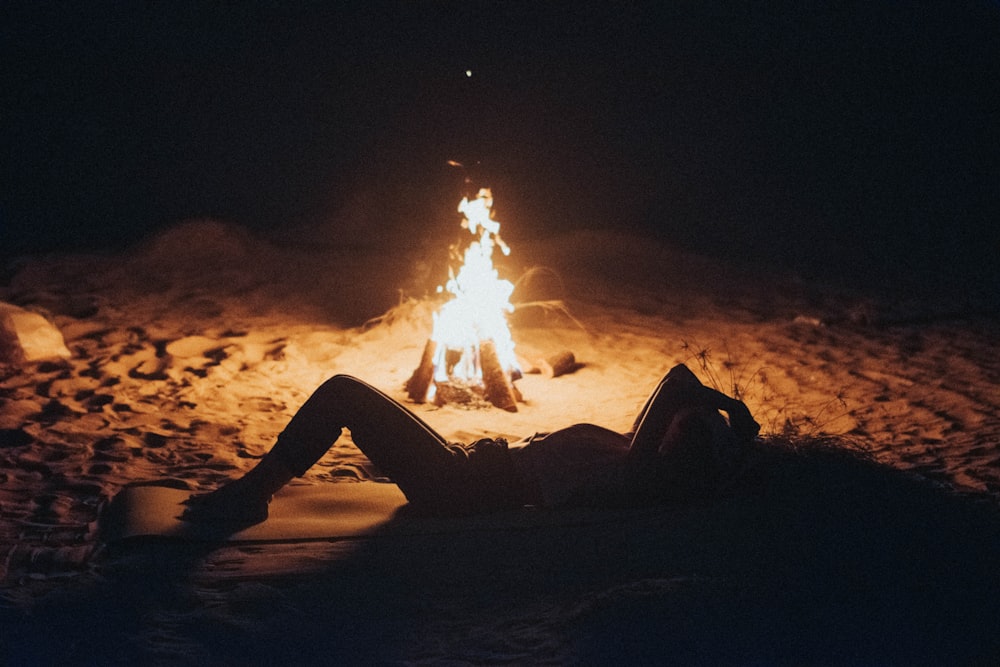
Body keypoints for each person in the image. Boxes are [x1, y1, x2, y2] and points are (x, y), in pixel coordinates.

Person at [182, 363, 760, 524]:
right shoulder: (630, 449)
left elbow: (678, 381)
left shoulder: (636, 474)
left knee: (342, 394)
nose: (681, 417)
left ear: (683, 449)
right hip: (467, 472)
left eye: (689, 425)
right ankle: (254, 488)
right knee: (349, 399)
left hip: (458, 489)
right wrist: (722, 409)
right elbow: (676, 390)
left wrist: (722, 404)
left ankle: (253, 493)